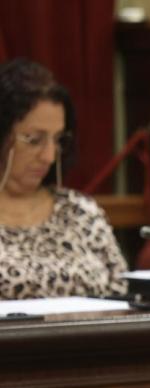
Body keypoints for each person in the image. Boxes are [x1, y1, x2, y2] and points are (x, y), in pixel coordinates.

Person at [0, 58, 127, 299]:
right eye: (34, 140)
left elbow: (124, 293)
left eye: (58, 140)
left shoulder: (81, 212)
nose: (49, 156)